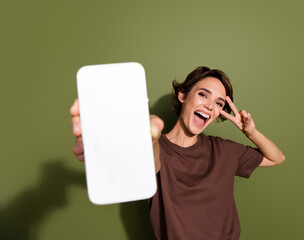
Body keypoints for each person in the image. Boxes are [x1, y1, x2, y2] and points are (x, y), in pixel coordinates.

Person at [70, 66, 285, 240]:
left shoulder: (224, 150)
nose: (210, 106)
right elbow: (147, 158)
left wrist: (250, 131)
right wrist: (149, 132)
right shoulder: (155, 148)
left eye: (218, 103)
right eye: (203, 95)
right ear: (183, 95)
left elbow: (276, 158)